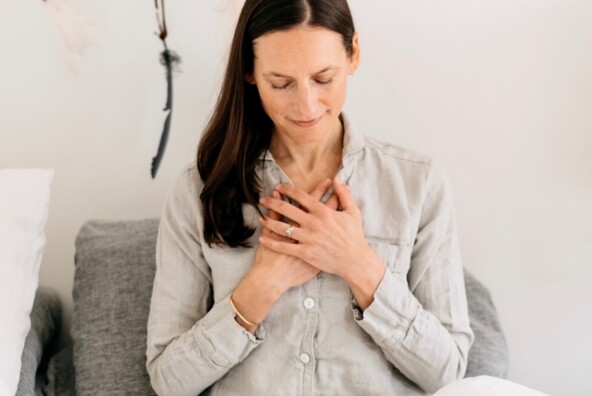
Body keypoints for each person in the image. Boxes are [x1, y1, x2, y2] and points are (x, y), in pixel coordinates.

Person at [146, 0, 475, 395]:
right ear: (249, 72)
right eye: (280, 83)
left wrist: (358, 264)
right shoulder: (197, 191)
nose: (306, 105)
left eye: (324, 78)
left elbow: (448, 372)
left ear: (353, 54)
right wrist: (261, 286)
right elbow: (169, 382)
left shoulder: (418, 185)